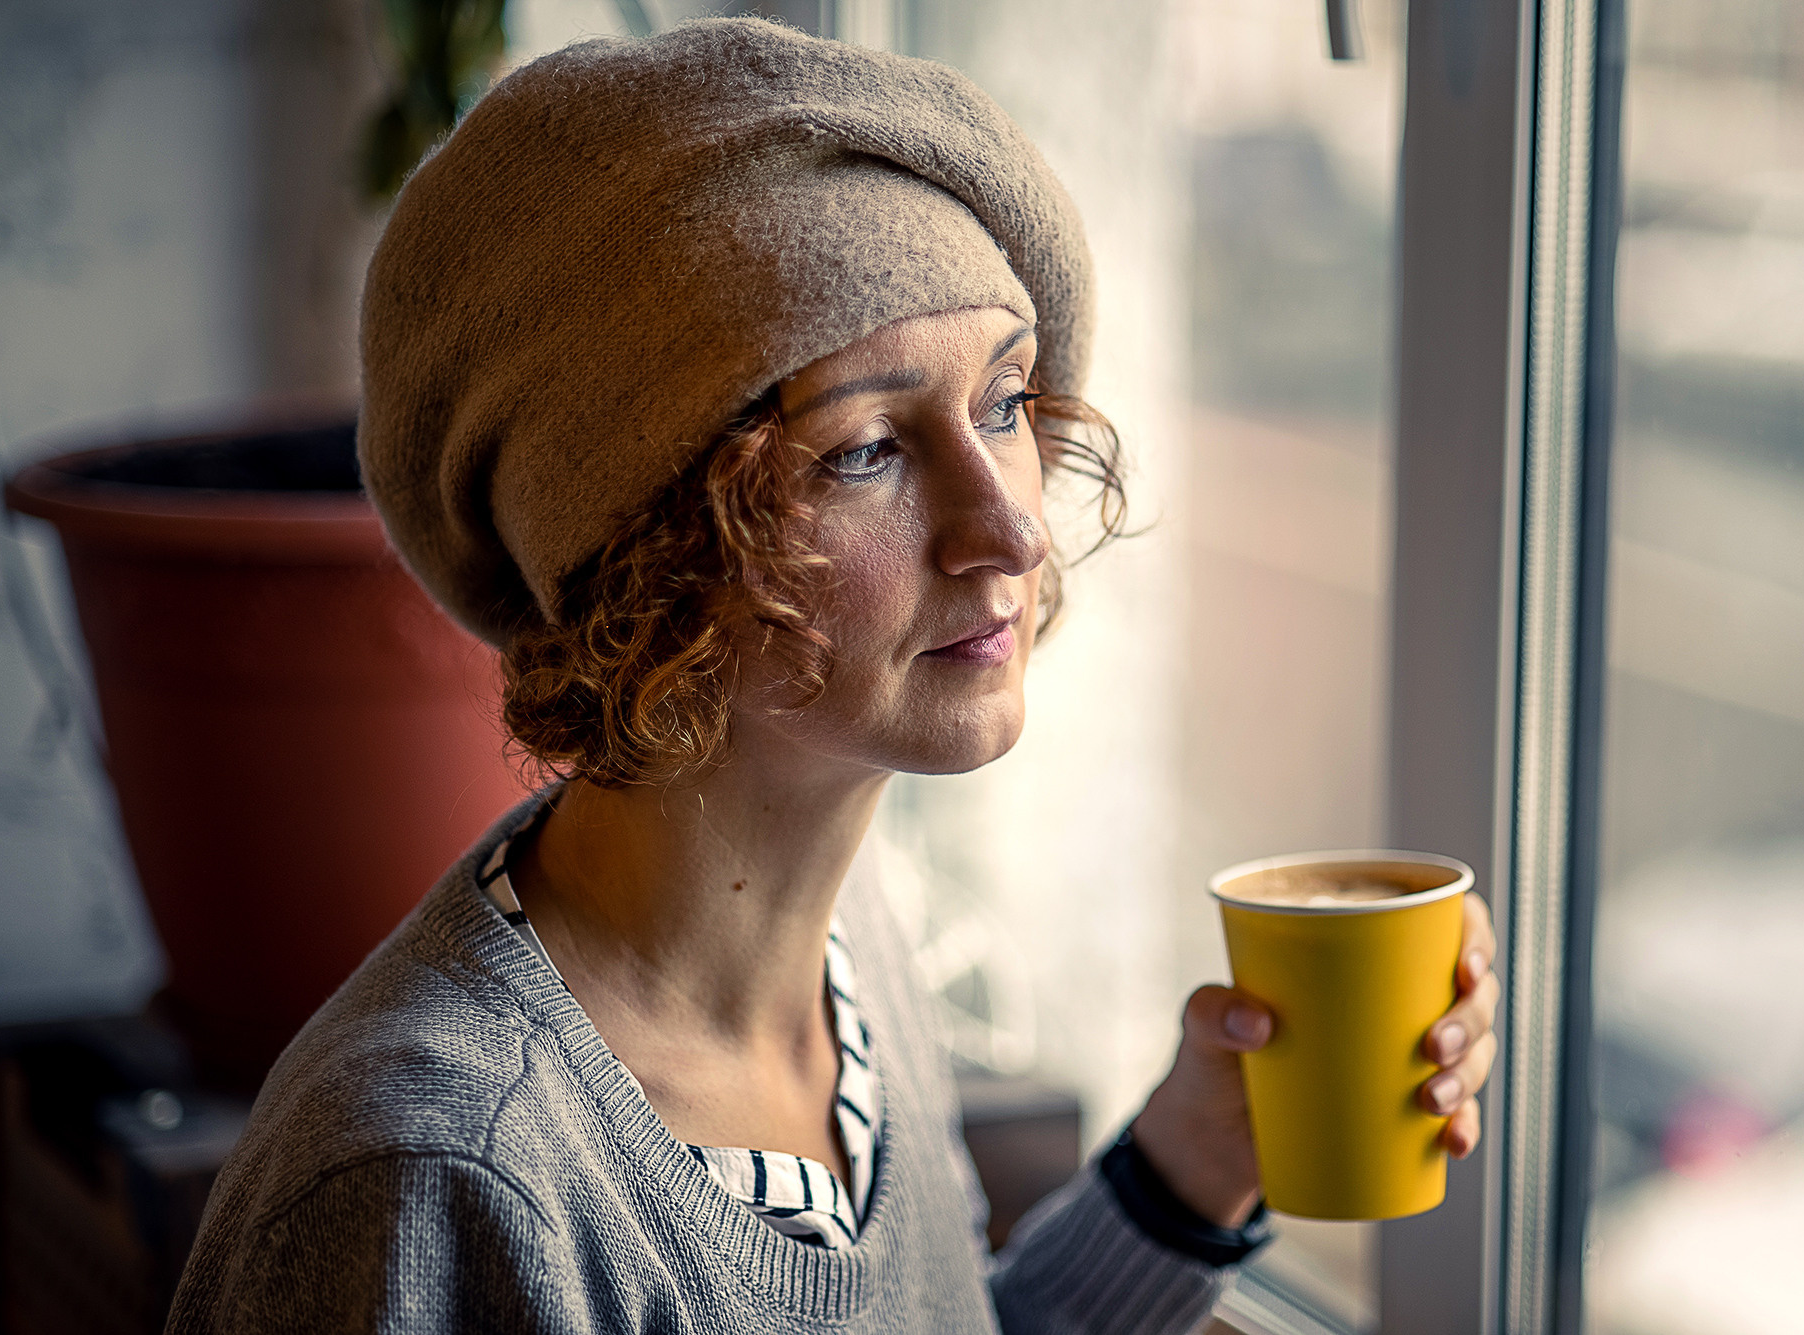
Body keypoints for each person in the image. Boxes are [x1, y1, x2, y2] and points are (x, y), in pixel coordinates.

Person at [168, 18, 1498, 1335]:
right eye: (867, 449)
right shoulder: (434, 1180)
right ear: (642, 557)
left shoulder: (848, 939)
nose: (1011, 529)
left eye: (1004, 404)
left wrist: (1197, 1163)